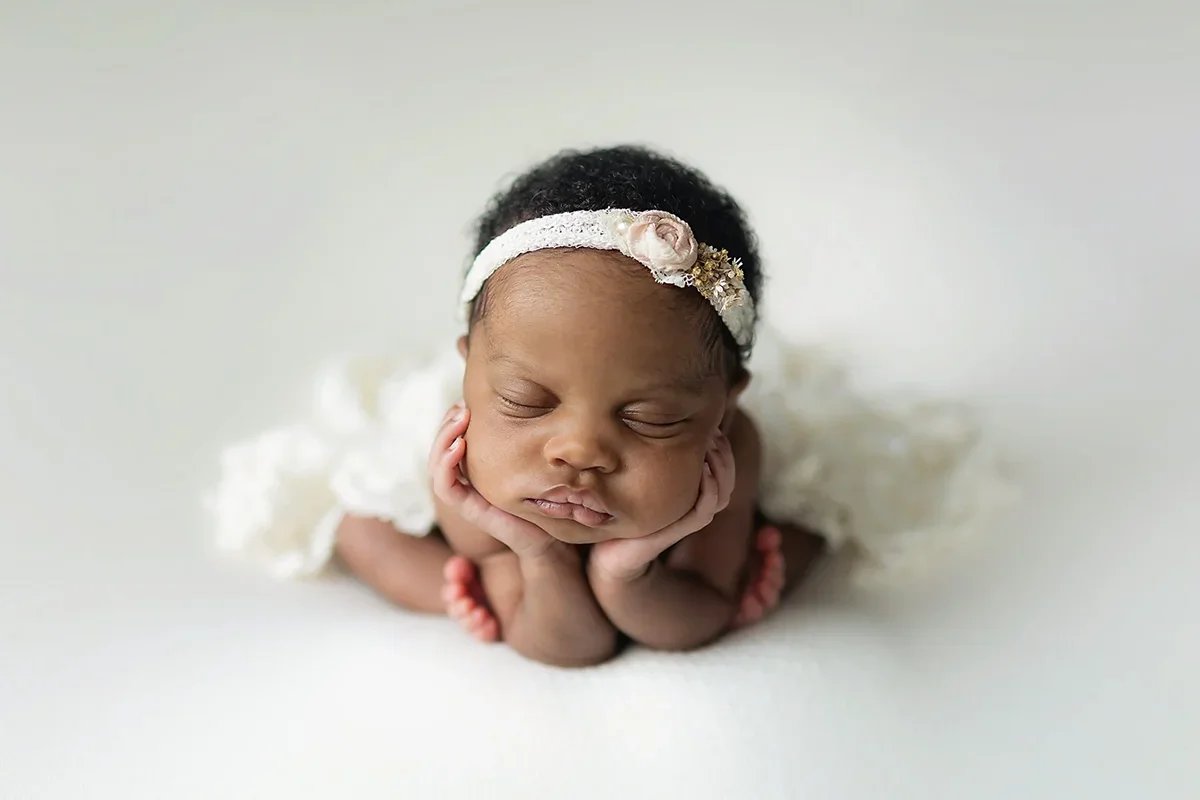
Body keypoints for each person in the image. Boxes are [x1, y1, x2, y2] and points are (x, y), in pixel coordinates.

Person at [210, 146, 1009, 667]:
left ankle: (735, 523)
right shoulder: (466, 458)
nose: (580, 450)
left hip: (680, 504)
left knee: (806, 527)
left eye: (650, 418)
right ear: (470, 372)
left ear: (721, 412)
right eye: (525, 400)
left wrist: (632, 568)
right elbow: (565, 646)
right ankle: (469, 573)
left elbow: (689, 621)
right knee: (365, 531)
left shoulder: (731, 454)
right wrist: (527, 552)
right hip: (476, 526)